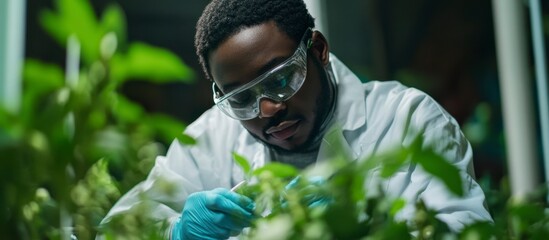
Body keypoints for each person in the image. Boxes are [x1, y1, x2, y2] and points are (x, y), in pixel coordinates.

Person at [101, 0, 492, 239]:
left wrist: (363, 226)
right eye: (242, 98)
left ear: (318, 49)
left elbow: (466, 230)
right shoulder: (211, 138)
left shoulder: (407, 121)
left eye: (281, 79)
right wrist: (175, 235)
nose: (268, 109)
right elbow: (112, 232)